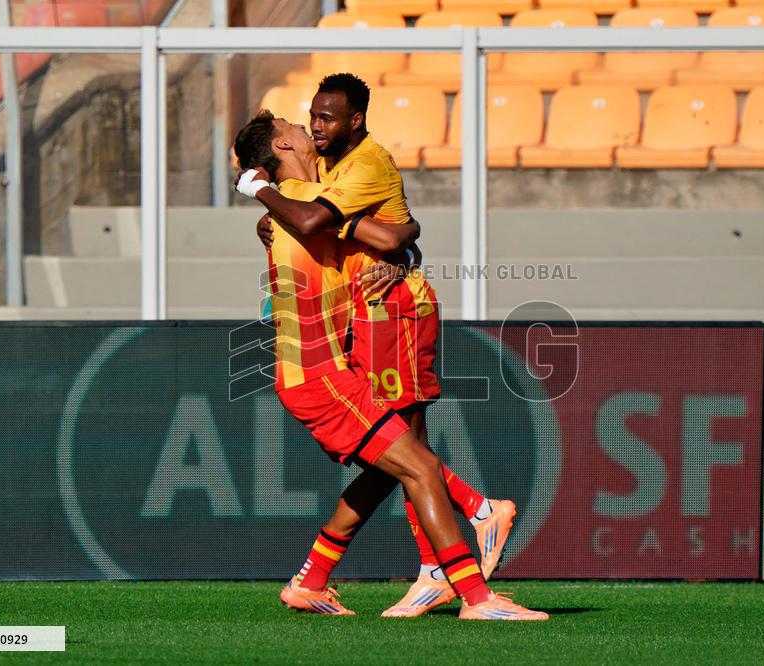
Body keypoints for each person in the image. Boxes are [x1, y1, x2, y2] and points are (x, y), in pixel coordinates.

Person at [234, 109, 547, 621]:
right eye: (292, 127)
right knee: (419, 464)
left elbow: (393, 241)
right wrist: (264, 193)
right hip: (318, 376)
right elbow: (369, 230)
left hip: (325, 373)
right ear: (282, 150)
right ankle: (478, 594)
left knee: (390, 471)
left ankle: (310, 581)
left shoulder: (301, 210)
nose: (304, 129)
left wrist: (400, 254)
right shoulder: (302, 206)